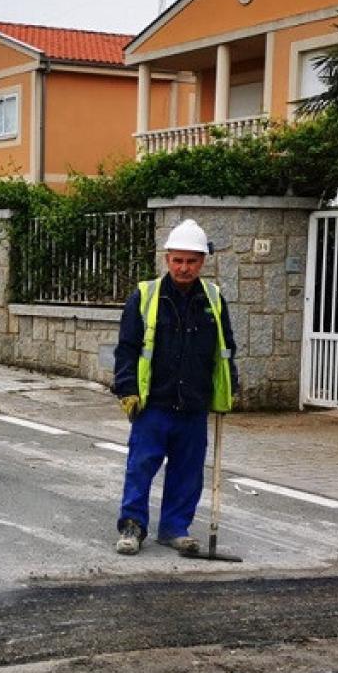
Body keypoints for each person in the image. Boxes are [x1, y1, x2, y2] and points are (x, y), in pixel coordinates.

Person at [111, 218, 237, 556]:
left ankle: (174, 528)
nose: (184, 268)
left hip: (194, 403)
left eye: (191, 261)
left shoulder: (213, 299)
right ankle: (132, 527)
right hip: (153, 402)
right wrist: (126, 389)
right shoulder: (145, 295)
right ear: (167, 259)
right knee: (141, 467)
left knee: (187, 472)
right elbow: (127, 347)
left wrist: (230, 388)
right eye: (178, 260)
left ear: (202, 262)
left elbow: (225, 349)